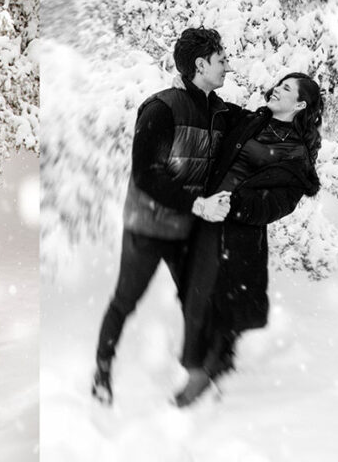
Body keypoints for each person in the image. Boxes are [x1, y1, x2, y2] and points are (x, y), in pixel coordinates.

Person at [91, 27, 236, 405]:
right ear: (200, 64)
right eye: (221, 60)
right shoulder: (161, 108)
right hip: (149, 225)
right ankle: (102, 370)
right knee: (127, 298)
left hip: (189, 227)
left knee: (198, 298)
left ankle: (202, 371)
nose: (227, 66)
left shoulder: (219, 111)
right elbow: (146, 174)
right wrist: (195, 204)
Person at [173, 72, 323, 406]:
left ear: (300, 104)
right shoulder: (253, 120)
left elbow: (277, 204)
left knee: (213, 295)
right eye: (278, 84)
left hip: (238, 231)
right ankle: (213, 359)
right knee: (198, 291)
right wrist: (194, 86)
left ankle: (201, 369)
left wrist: (237, 205)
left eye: (286, 89)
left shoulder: (296, 153)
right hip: (207, 214)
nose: (276, 89)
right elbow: (216, 109)